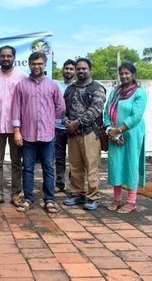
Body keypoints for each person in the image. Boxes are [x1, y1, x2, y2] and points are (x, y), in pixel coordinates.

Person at [12, 52, 65, 213]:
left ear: (44, 65)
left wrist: (50, 120)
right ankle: (28, 198)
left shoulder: (52, 85)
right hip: (27, 135)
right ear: (29, 64)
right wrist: (16, 131)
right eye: (34, 63)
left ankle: (49, 199)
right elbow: (16, 109)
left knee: (48, 167)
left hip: (47, 135)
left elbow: (61, 107)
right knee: (27, 168)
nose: (37, 66)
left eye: (40, 63)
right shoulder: (21, 85)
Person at [0, 45, 26, 207]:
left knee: (16, 162)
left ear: (14, 57)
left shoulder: (22, 77)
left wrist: (22, 129)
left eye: (9, 56)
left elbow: (24, 103)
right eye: (3, 56)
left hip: (17, 128)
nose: (6, 58)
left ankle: (16, 194)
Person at [63, 58, 106, 210]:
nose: (81, 71)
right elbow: (63, 109)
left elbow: (95, 110)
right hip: (73, 134)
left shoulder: (97, 88)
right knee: (75, 166)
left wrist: (77, 123)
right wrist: (67, 122)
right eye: (78, 69)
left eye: (84, 68)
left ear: (90, 70)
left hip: (89, 132)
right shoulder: (70, 89)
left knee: (92, 166)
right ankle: (77, 194)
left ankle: (93, 197)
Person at [104, 63, 147, 213]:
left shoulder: (140, 93)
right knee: (115, 163)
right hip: (114, 134)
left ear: (133, 74)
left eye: (127, 73)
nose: (124, 76)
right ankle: (116, 199)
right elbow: (106, 111)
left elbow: (136, 116)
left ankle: (131, 201)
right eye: (121, 73)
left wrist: (119, 129)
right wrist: (109, 128)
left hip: (132, 133)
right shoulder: (115, 92)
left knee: (131, 163)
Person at [55, 59, 76, 193]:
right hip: (57, 127)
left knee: (74, 159)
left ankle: (74, 185)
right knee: (59, 158)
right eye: (66, 68)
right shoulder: (56, 85)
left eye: (71, 69)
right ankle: (59, 183)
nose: (68, 71)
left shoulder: (76, 87)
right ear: (63, 70)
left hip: (73, 128)